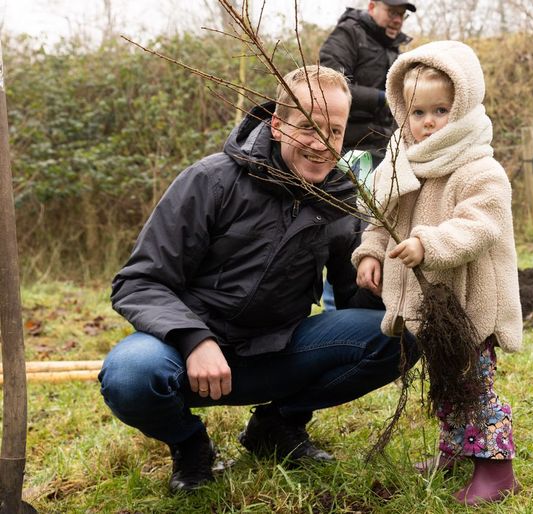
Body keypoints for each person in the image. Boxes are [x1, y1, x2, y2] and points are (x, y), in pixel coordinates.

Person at [98, 65, 417, 493]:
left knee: (398, 337)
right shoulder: (210, 180)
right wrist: (195, 339)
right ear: (278, 124)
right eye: (309, 127)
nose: (322, 144)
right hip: (185, 355)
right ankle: (190, 445)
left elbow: (354, 308)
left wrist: (388, 278)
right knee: (129, 374)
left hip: (278, 351)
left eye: (335, 132)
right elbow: (139, 282)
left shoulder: (339, 201)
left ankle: (276, 425)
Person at [352, 41, 523, 505]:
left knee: (474, 383)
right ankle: (456, 450)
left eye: (441, 110)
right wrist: (370, 251)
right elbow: (381, 216)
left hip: (470, 302)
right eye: (417, 112)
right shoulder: (401, 162)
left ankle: (495, 467)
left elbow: (480, 225)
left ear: (464, 105)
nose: (427, 122)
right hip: (430, 306)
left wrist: (430, 243)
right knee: (446, 379)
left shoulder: (478, 167)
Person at [319, 0, 416, 312]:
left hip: (383, 153)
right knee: (348, 228)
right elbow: (331, 84)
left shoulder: (391, 48)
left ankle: (371, 311)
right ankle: (337, 312)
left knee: (374, 227)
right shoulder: (348, 35)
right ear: (373, 6)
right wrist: (382, 99)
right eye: (392, 12)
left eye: (402, 15)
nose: (397, 20)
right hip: (350, 152)